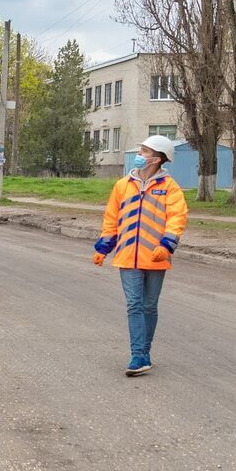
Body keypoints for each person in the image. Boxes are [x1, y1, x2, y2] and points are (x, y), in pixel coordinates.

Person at [93, 134, 188, 377]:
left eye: (144, 152)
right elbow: (112, 218)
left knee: (149, 306)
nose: (139, 156)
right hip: (127, 256)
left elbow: (177, 219)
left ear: (157, 159)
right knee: (134, 305)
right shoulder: (123, 185)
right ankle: (137, 355)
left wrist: (166, 246)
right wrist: (103, 248)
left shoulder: (170, 188)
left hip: (156, 257)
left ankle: (145, 352)